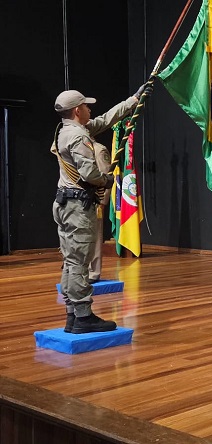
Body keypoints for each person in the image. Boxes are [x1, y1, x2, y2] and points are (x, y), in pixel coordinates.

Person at [52, 85, 148, 334]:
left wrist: (134, 99)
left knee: (71, 262)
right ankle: (83, 316)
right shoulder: (77, 136)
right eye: (85, 106)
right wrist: (105, 179)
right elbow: (88, 173)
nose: (89, 109)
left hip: (66, 203)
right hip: (77, 205)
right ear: (76, 110)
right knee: (79, 263)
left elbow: (106, 119)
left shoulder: (65, 130)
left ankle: (73, 315)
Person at [87, 136, 112, 283]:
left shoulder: (99, 150)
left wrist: (102, 201)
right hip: (78, 200)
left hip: (95, 199)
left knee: (95, 236)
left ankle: (93, 273)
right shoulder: (76, 149)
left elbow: (106, 177)